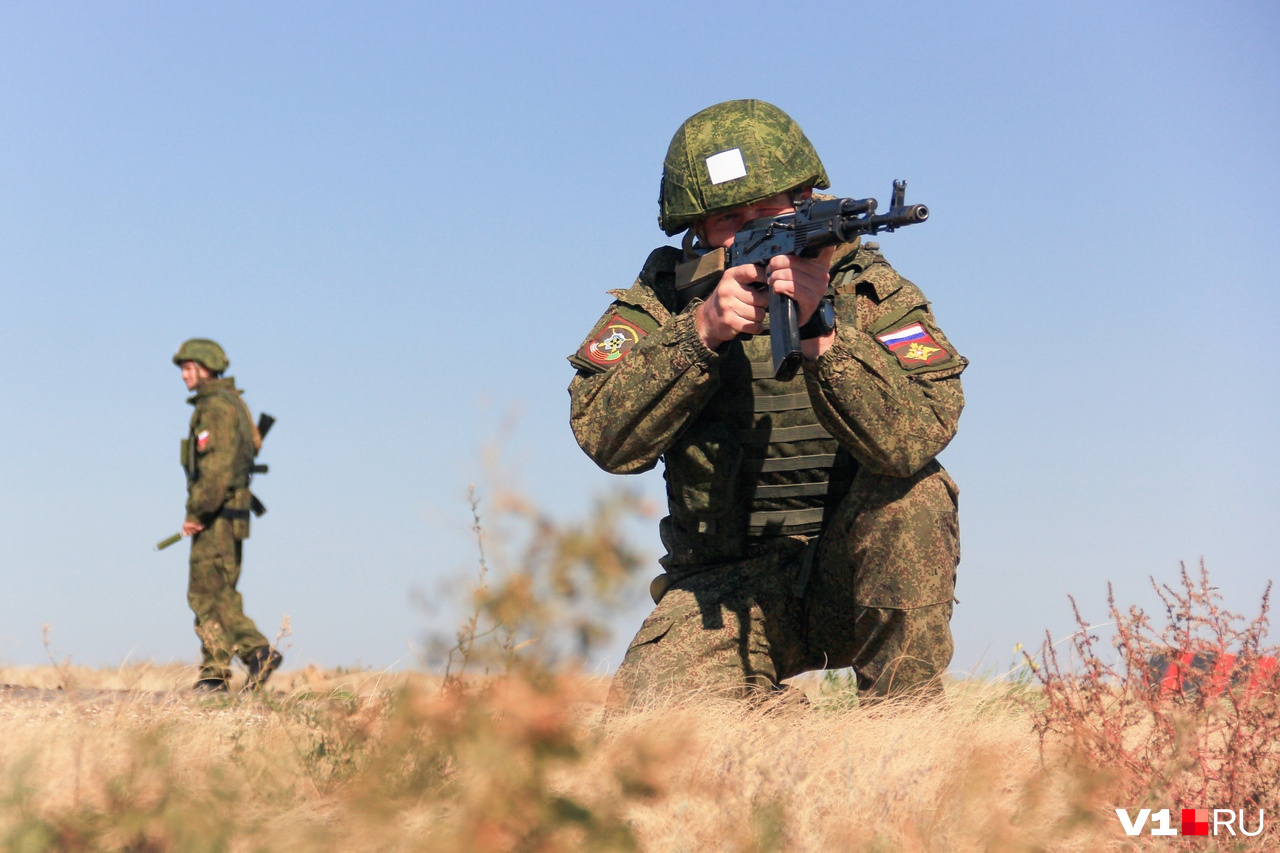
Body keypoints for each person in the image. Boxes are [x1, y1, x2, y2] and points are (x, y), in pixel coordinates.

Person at [567, 100, 966, 708]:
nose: (755, 223)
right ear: (695, 229)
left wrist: (824, 340)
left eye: (774, 207)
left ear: (808, 198)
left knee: (916, 489)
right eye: (731, 216)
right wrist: (699, 332)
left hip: (851, 578)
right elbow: (606, 437)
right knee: (649, 725)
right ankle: (771, 721)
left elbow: (916, 435)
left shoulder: (866, 291)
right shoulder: (665, 299)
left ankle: (903, 720)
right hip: (724, 590)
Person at [174, 338, 282, 692]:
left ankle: (256, 651)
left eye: (190, 368)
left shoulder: (216, 408)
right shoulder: (228, 403)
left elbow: (217, 468)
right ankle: (213, 674)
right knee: (215, 592)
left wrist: (196, 511)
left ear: (206, 369)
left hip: (217, 514)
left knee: (209, 596)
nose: (185, 376)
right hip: (227, 512)